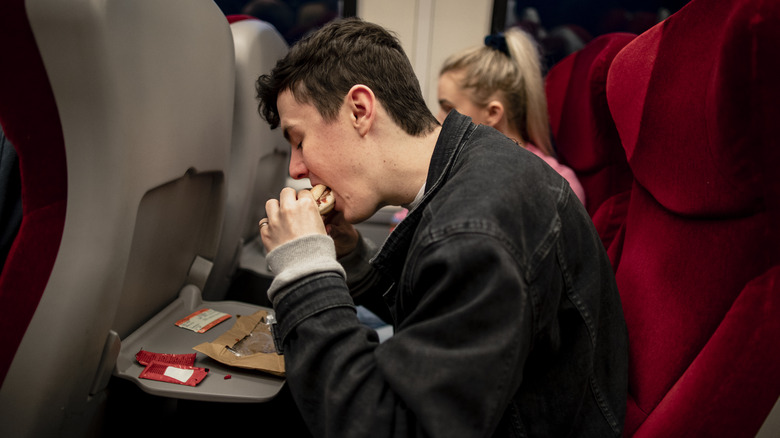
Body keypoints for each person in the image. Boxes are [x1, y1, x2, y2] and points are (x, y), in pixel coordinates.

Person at [255, 17, 628, 437]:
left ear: (359, 110)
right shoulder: (468, 162)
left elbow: (383, 426)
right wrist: (350, 257)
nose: (296, 168)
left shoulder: (477, 228)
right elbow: (435, 305)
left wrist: (303, 270)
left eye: (299, 139)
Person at [437, 27, 587, 206]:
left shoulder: (557, 184)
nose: (437, 119)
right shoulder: (453, 167)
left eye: (447, 108)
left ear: (492, 113)